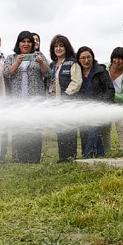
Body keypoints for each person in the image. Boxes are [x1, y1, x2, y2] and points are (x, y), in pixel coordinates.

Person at [3, 31, 49, 163]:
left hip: (35, 100)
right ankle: (22, 157)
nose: (26, 44)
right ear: (18, 43)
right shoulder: (11, 57)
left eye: (29, 42)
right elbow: (6, 74)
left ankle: (34, 158)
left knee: (34, 128)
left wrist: (41, 63)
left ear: (33, 44)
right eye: (23, 41)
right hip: (18, 100)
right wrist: (17, 63)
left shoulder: (39, 55)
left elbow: (47, 74)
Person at [75, 46, 115, 158]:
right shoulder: (77, 72)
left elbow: (110, 90)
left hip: (98, 108)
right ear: (78, 59)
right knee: (85, 133)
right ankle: (99, 156)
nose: (86, 60)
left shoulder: (101, 71)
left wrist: (100, 104)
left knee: (93, 128)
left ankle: (87, 156)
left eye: (89, 57)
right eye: (83, 58)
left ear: (93, 57)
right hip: (83, 109)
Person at [48, 34, 82, 162]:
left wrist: (66, 96)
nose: (58, 48)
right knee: (60, 129)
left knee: (69, 129)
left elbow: (76, 82)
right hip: (56, 102)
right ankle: (62, 157)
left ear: (66, 47)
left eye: (61, 46)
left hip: (68, 102)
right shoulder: (53, 65)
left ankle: (70, 157)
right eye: (56, 46)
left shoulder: (72, 63)